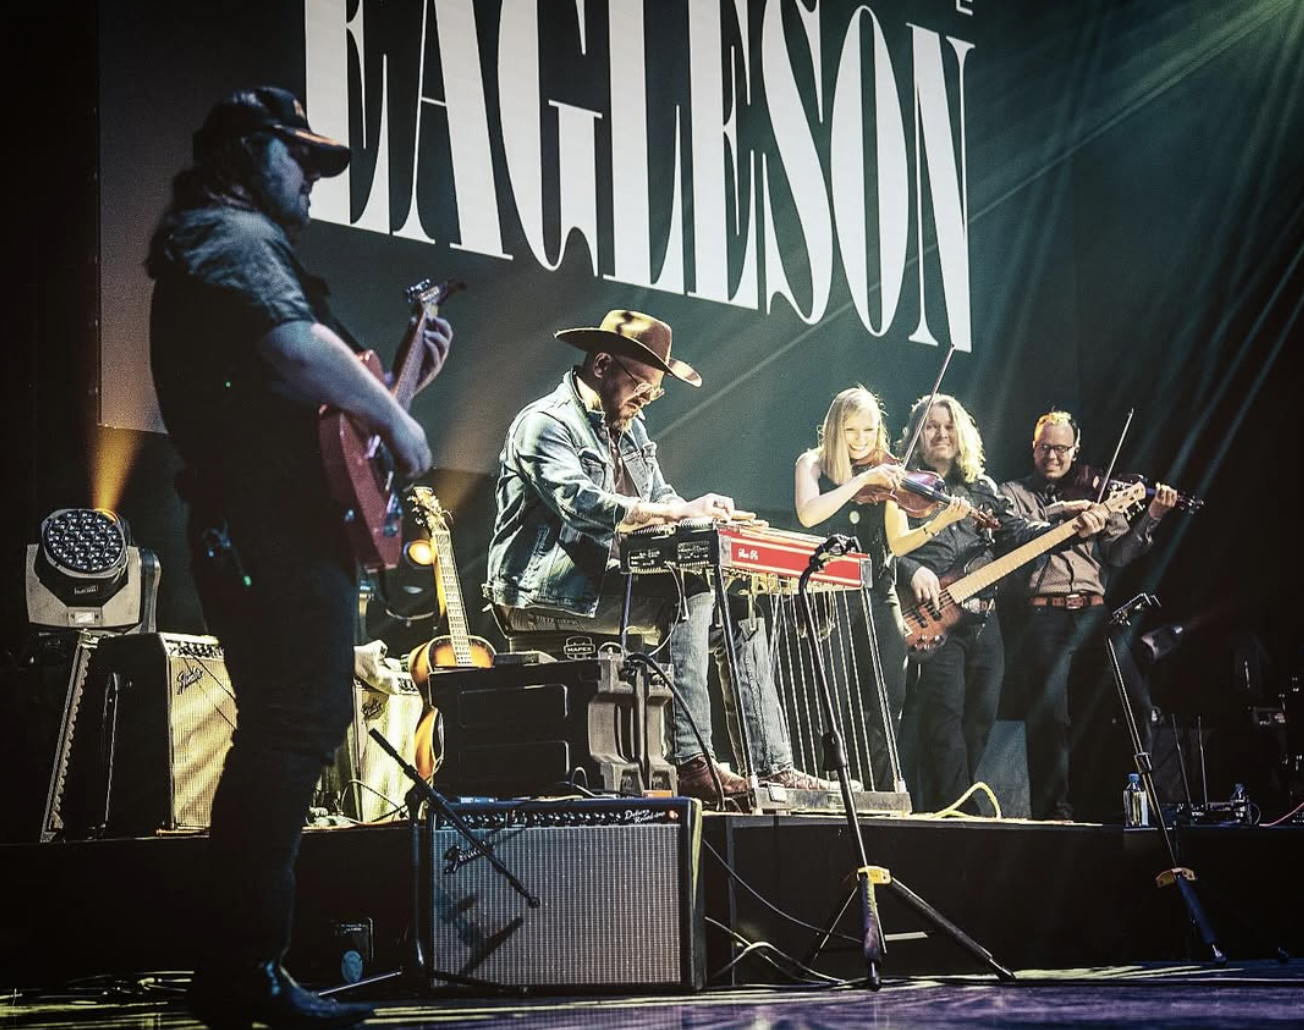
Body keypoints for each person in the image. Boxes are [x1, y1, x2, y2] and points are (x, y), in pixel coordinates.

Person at [147, 86, 452, 1029]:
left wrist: (402, 379)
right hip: (268, 532)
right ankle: (242, 972)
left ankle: (242, 970)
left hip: (278, 526)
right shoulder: (228, 236)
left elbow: (321, 413)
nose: (316, 181)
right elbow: (289, 348)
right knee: (290, 730)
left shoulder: (228, 240)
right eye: (303, 160)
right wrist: (398, 416)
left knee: (291, 729)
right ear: (246, 151)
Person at [484, 309, 843, 803]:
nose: (646, 401)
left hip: (606, 586)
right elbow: (581, 503)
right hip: (546, 594)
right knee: (688, 591)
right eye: (641, 387)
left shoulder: (629, 428)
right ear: (602, 364)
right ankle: (690, 760)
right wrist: (671, 515)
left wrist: (699, 512)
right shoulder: (544, 423)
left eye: (655, 393)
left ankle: (772, 765)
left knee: (739, 610)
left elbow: (661, 496)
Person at [892, 395, 1108, 814]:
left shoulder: (983, 489)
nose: (941, 434)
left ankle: (955, 805)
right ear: (918, 435)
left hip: (983, 618)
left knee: (980, 721)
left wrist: (1065, 527)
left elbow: (1016, 532)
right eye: (932, 426)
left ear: (962, 434)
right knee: (945, 717)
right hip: (934, 615)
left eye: (949, 426)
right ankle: (961, 813)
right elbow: (885, 546)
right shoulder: (902, 485)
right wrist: (910, 569)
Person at [1000, 410, 1177, 821]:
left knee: (1136, 702)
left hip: (1094, 614)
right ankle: (1053, 817)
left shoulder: (1098, 492)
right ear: (1033, 446)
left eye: (1062, 449)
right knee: (1050, 719)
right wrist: (1062, 515)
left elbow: (1118, 554)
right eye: (1045, 447)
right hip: (1043, 614)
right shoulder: (1013, 492)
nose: (1053, 456)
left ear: (1075, 449)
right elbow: (1008, 534)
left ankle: (1137, 804)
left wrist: (1151, 519)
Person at [794, 385, 973, 791]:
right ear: (836, 429)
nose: (861, 441)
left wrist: (936, 525)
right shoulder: (814, 464)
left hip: (879, 590)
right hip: (830, 593)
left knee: (889, 695)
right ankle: (825, 786)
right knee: (831, 696)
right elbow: (808, 513)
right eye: (853, 431)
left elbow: (898, 544)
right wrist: (861, 483)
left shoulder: (889, 470)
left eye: (870, 431)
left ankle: (884, 787)